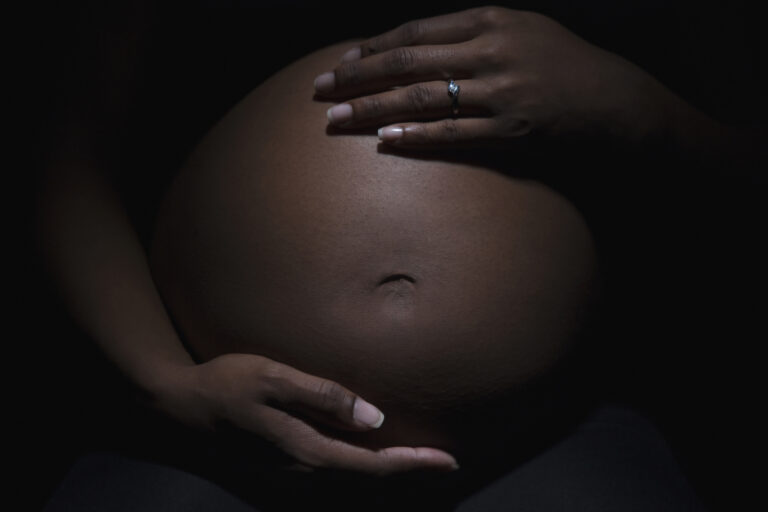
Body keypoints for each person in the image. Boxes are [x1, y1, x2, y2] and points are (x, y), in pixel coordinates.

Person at [37, 4, 763, 510]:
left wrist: (634, 105)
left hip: (557, 429)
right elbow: (60, 156)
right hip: (209, 426)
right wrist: (166, 387)